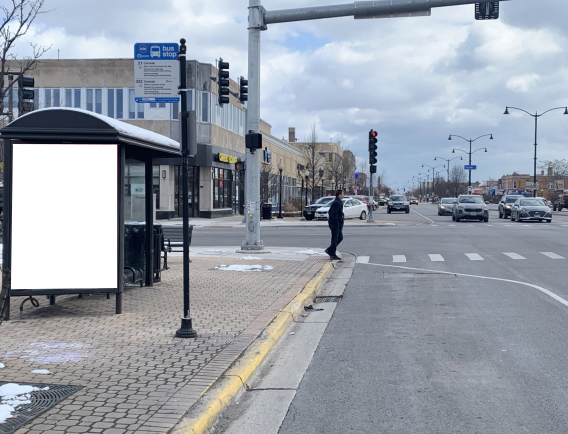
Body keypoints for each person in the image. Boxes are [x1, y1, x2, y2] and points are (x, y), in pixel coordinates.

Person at [325, 189, 344, 260]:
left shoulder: (338, 202)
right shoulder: (336, 203)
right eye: (342, 194)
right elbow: (332, 214)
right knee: (335, 239)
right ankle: (332, 254)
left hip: (337, 224)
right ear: (339, 195)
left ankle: (330, 250)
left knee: (340, 237)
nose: (343, 195)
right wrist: (336, 222)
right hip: (335, 224)